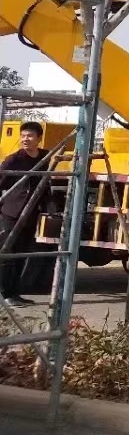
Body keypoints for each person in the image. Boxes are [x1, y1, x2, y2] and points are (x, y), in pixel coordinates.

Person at [1, 121, 51, 308]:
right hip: (12, 212)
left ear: (39, 138)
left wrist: (50, 204)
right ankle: (5, 293)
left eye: (29, 136)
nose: (25, 139)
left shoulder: (45, 157)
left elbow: (45, 184)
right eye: (23, 136)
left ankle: (15, 293)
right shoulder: (13, 159)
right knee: (9, 253)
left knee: (22, 254)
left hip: (31, 212)